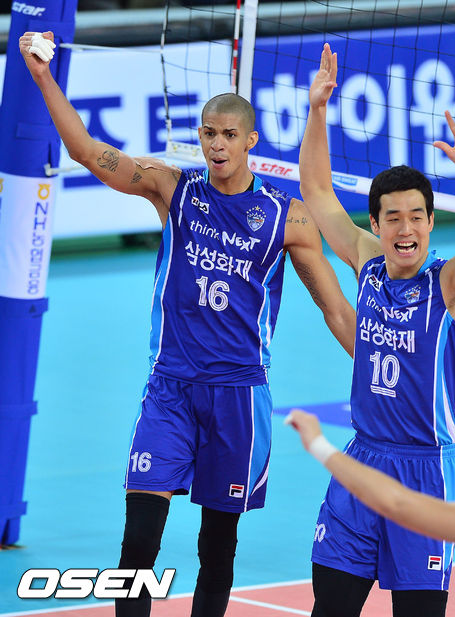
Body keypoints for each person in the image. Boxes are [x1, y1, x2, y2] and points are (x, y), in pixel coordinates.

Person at [19, 32, 356, 617]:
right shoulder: (172, 188)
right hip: (170, 390)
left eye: (229, 135)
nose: (217, 144)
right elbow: (86, 151)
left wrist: (382, 372)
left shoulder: (287, 218)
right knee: (138, 544)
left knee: (217, 550)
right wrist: (44, 77)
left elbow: (336, 309)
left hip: (238, 396)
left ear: (250, 141)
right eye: (208, 133)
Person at [298, 43, 455, 617]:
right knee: (330, 607)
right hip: (362, 460)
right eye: (393, 218)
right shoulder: (367, 263)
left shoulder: (451, 287)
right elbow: (318, 194)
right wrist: (317, 112)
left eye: (416, 217)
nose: (405, 228)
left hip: (424, 470)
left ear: (431, 223)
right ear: (377, 224)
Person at [285, 409, 455, 617]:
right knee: (333, 602)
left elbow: (397, 504)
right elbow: (397, 504)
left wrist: (318, 445)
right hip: (370, 452)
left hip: (425, 467)